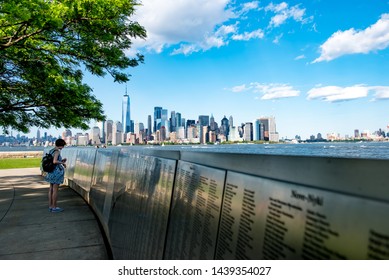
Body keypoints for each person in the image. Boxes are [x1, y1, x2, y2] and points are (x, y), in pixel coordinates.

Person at [45, 139, 67, 213]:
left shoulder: (52, 150)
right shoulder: (57, 151)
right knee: (55, 190)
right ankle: (54, 207)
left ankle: (50, 206)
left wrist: (61, 160)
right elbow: (54, 161)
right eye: (63, 145)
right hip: (56, 172)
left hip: (51, 172)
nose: (63, 147)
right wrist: (62, 163)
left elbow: (52, 160)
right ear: (61, 145)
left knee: (51, 189)